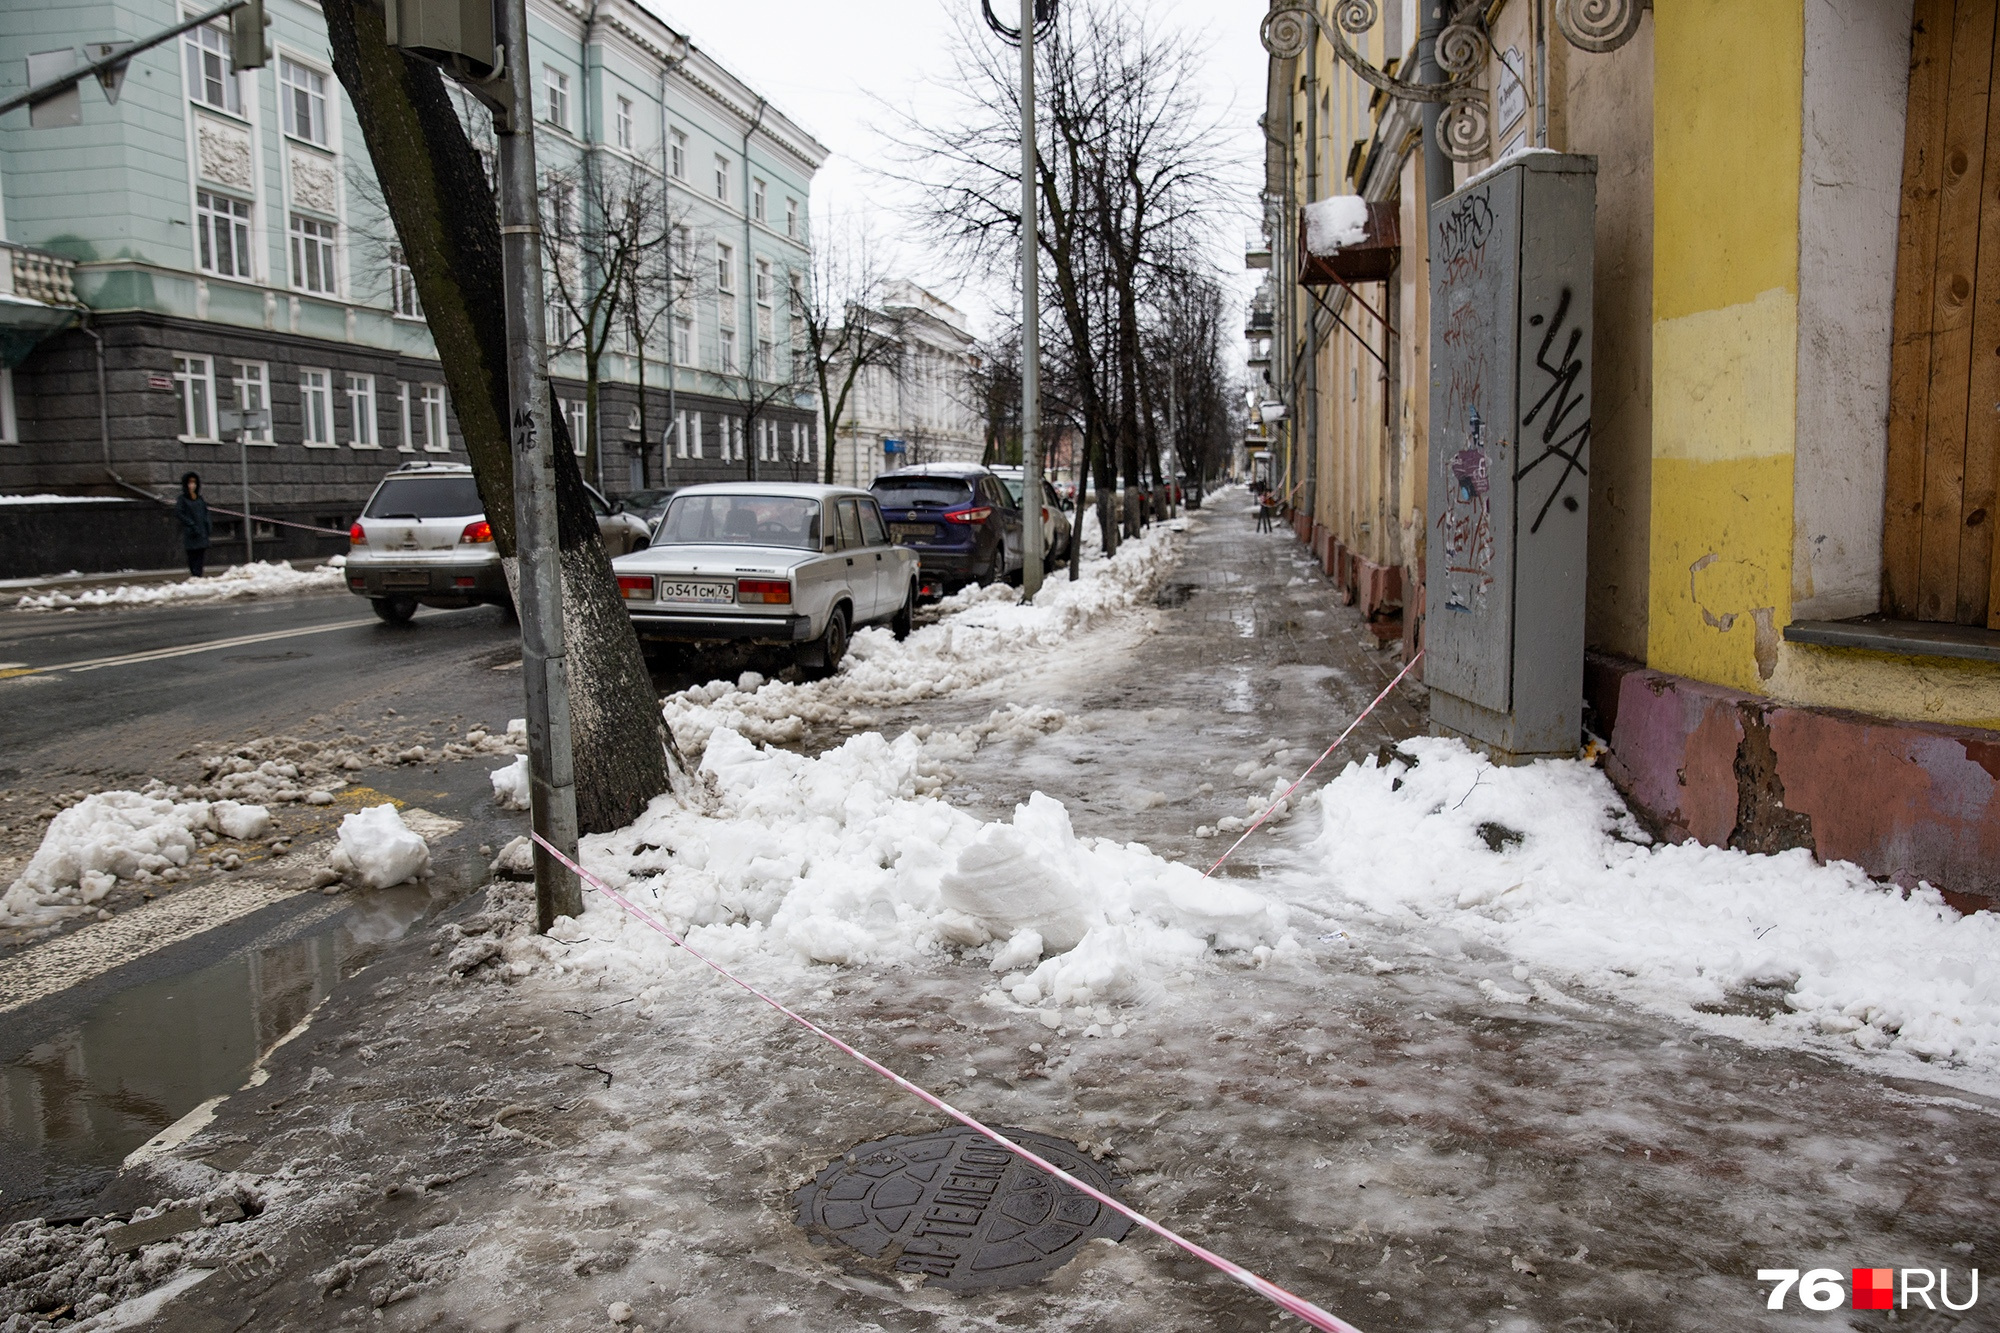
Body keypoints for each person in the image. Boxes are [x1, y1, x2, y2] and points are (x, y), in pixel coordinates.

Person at [176, 472, 212, 577]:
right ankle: (195, 575)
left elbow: (205, 513)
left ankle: (199, 575)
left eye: (194, 483)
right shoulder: (182, 499)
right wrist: (191, 524)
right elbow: (179, 513)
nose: (192, 485)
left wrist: (208, 525)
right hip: (192, 533)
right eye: (190, 483)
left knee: (200, 556)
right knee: (193, 556)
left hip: (202, 532)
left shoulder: (200, 499)